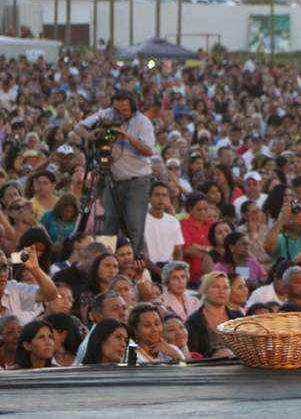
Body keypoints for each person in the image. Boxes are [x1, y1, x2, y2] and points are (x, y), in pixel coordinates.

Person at [75, 90, 155, 257]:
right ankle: (106, 260)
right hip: (112, 178)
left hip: (137, 180)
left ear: (132, 107)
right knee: (109, 224)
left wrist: (127, 137)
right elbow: (79, 127)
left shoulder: (143, 122)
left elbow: (148, 150)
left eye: (124, 110)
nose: (120, 114)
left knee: (134, 224)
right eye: (117, 110)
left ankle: (135, 260)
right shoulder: (107, 115)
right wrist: (91, 135)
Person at [185, 272, 242, 359]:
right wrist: (213, 357)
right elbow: (193, 354)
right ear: (205, 289)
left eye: (225, 287)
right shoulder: (194, 321)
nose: (221, 291)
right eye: (216, 287)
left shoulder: (238, 317)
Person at [0, 249, 59, 325]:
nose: (2, 274)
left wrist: (35, 269)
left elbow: (50, 294)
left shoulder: (14, 289)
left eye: (4, 267)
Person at [144, 182, 184, 271]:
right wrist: (159, 272)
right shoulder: (141, 221)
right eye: (157, 195)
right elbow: (142, 253)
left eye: (164, 195)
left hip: (169, 268)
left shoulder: (173, 221)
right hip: (148, 268)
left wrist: (174, 269)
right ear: (149, 198)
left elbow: (178, 251)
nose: (161, 198)